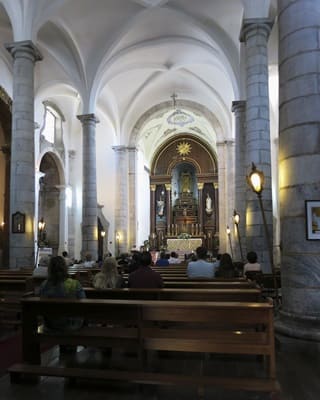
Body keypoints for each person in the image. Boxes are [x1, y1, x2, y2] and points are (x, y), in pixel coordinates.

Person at [39, 256, 86, 333]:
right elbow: (84, 303)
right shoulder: (75, 284)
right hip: (71, 324)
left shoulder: (44, 285)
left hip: (50, 324)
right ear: (65, 268)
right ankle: (71, 344)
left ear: (50, 269)